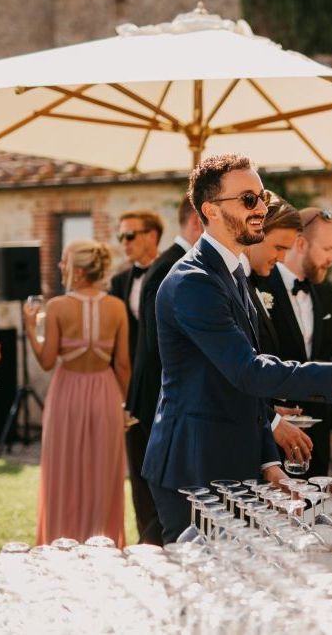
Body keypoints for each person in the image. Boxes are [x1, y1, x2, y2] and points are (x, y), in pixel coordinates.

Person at [142, 153, 332, 542]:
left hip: (233, 464)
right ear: (210, 211)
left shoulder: (232, 274)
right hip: (194, 468)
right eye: (248, 199)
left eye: (261, 196)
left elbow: (242, 389)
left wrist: (267, 459)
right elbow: (248, 371)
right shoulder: (193, 281)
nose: (261, 208)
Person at [25, 240, 130, 546]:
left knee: (63, 474)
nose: (60, 267)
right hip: (105, 394)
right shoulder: (117, 307)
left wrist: (31, 327)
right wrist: (124, 406)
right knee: (103, 475)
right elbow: (123, 365)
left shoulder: (57, 307)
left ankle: (61, 543)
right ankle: (104, 545)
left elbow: (46, 362)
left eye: (64, 262)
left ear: (80, 271)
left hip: (66, 394)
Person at [254, 206, 332, 476]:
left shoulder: (324, 291)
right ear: (301, 244)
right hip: (273, 436)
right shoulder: (258, 285)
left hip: (317, 436)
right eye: (327, 249)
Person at [124, 195, 202, 545]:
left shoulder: (176, 264)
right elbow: (163, 348)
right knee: (157, 509)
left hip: (169, 403)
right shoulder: (172, 268)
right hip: (156, 401)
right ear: (200, 222)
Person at [244, 196, 315, 466]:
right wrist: (270, 419)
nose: (282, 258)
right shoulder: (228, 284)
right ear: (256, 233)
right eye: (278, 247)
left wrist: (270, 409)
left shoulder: (252, 281)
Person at [109, 209, 164, 362]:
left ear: (152, 236)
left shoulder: (174, 273)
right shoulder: (119, 281)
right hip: (133, 366)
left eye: (130, 235)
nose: (124, 242)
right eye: (120, 237)